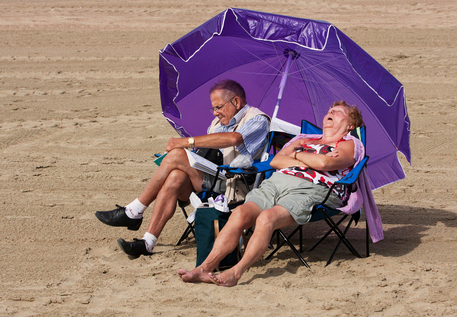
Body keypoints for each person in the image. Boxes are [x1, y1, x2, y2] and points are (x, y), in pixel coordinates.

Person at [178, 100, 364, 287]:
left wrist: (296, 155)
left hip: (311, 188)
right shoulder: (303, 140)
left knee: (267, 218)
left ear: (350, 125)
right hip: (277, 183)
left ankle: (236, 271)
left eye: (338, 112)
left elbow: (325, 165)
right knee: (241, 213)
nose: (330, 112)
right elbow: (276, 162)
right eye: (329, 110)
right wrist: (309, 160)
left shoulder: (349, 144)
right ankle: (205, 268)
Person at [95, 79, 270, 258]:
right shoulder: (216, 124)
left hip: (235, 185)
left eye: (218, 107)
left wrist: (186, 142)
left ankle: (134, 211)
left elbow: (234, 139)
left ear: (236, 102)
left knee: (178, 154)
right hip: (212, 180)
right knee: (175, 177)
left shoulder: (258, 119)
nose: (215, 113)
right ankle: (148, 241)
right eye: (213, 108)